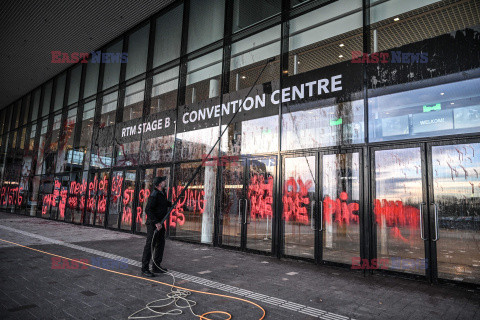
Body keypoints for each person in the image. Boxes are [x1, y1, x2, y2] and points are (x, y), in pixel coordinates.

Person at [141, 176, 172, 277]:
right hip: (153, 224)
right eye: (163, 181)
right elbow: (148, 209)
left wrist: (170, 204)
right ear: (159, 184)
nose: (165, 182)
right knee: (150, 245)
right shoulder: (154, 194)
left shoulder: (162, 193)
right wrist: (156, 223)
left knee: (160, 244)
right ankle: (145, 268)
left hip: (160, 223)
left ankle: (156, 266)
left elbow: (162, 204)